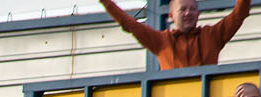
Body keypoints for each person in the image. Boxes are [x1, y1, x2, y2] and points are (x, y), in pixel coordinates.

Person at [98, 0, 251, 66]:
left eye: (192, 9)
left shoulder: (213, 35)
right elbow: (129, 24)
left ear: (198, 14)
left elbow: (239, 13)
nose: (188, 13)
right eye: (182, 9)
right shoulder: (160, 40)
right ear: (171, 15)